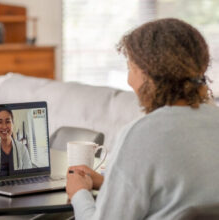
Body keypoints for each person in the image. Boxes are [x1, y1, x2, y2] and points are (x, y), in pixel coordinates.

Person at [66, 18, 219, 220]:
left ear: (149, 75)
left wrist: (79, 193)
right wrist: (110, 183)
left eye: (131, 68)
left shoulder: (142, 134)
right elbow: (184, 196)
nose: (129, 81)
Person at [0, 108, 32, 174]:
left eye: (7, 121)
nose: (4, 127)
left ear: (13, 124)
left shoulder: (23, 149)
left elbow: (28, 175)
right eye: (0, 122)